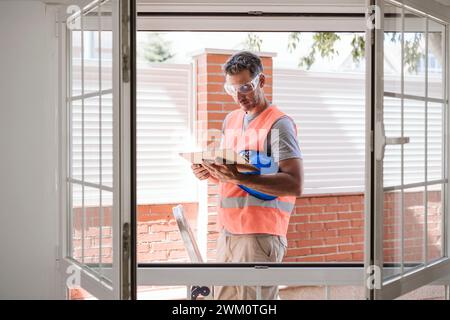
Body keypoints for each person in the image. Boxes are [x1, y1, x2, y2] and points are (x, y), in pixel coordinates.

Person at [191, 51, 304, 300]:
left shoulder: (279, 124)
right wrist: (209, 171)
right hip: (228, 234)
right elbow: (233, 172)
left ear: (261, 81)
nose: (239, 97)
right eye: (232, 90)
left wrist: (238, 178)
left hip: (259, 238)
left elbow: (294, 184)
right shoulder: (231, 120)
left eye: (245, 87)